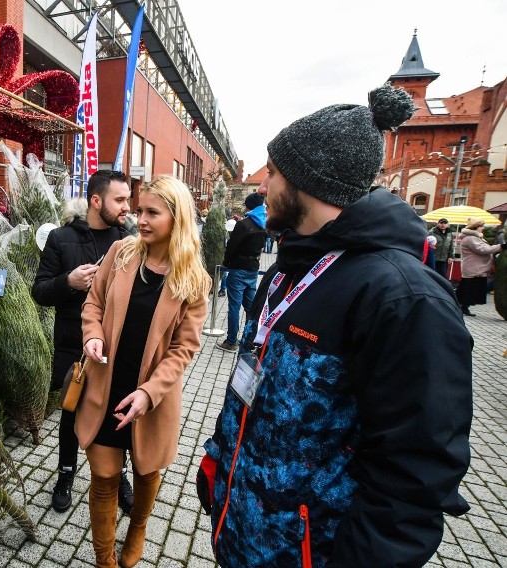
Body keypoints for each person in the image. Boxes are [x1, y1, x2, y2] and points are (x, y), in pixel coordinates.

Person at [201, 85, 473, 567]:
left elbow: (413, 478)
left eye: (274, 174)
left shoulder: (404, 299)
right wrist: (219, 464)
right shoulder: (290, 266)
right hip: (242, 530)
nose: (263, 187)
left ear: (309, 182)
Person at [78, 176, 209, 568]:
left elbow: (184, 349)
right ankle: (105, 560)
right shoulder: (121, 252)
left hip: (150, 397)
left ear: (178, 217)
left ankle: (137, 528)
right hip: (106, 385)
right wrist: (92, 335)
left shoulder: (194, 280)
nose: (141, 219)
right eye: (139, 211)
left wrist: (150, 392)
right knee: (103, 478)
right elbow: (93, 303)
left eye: (152, 212)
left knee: (146, 470)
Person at [31, 169, 135, 514]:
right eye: (120, 200)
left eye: (127, 200)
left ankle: (117, 474)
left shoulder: (130, 242)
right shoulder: (61, 239)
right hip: (72, 347)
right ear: (96, 201)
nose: (126, 207)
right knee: (71, 414)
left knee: (115, 412)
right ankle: (65, 474)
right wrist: (68, 282)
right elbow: (39, 291)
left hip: (116, 349)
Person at [215, 193, 266, 352]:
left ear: (249, 205)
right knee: (251, 308)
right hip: (253, 269)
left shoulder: (243, 224)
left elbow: (232, 246)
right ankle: (249, 339)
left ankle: (231, 341)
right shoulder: (264, 224)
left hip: (238, 269)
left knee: (234, 307)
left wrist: (226, 262)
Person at [455, 218, 505, 316]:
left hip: (475, 268)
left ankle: (463, 306)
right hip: (474, 269)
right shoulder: (471, 238)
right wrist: (500, 247)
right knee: (470, 289)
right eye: (481, 226)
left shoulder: (475, 237)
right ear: (475, 227)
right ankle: (462, 307)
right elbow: (483, 249)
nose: (483, 228)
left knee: (468, 289)